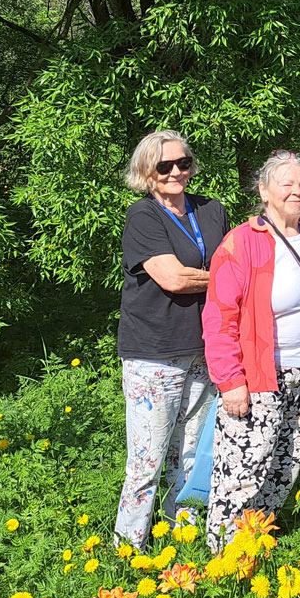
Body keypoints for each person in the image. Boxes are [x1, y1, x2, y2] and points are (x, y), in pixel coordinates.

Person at [201, 151, 300, 549]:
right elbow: (219, 318)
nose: (298, 191)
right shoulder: (242, 243)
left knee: (284, 464)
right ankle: (224, 557)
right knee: (244, 469)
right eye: (287, 183)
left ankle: (256, 545)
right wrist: (230, 380)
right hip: (258, 376)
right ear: (264, 190)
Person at [115, 129, 230, 549]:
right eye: (164, 166)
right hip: (154, 355)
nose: (176, 172)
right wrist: (224, 279)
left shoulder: (212, 210)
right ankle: (128, 548)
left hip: (203, 350)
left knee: (194, 454)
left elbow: (237, 262)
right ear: (147, 173)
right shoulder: (142, 216)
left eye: (183, 163)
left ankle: (181, 537)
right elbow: (172, 278)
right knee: (147, 460)